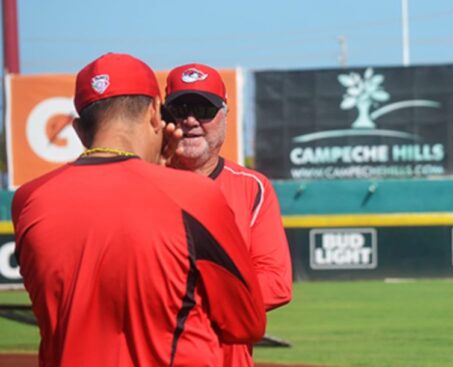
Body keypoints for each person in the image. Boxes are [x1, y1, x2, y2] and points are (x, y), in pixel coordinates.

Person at [12, 53, 266, 366]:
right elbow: (246, 323)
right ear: (153, 115)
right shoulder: (194, 194)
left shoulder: (28, 198)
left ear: (78, 130)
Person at [164, 63, 293, 366]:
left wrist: (191, 302)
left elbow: (276, 282)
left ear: (225, 113)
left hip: (225, 355)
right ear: (163, 117)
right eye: (179, 109)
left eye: (203, 109)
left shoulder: (252, 187)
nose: (190, 120)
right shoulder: (140, 181)